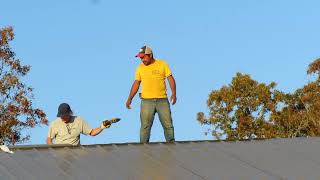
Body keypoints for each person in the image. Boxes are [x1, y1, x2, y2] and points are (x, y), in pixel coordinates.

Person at [126, 45, 177, 143]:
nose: (142, 59)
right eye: (140, 58)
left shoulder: (162, 64)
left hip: (162, 100)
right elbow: (136, 83)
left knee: (168, 125)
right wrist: (129, 98)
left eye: (143, 57)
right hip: (146, 101)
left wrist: (174, 93)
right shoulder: (140, 68)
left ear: (150, 55)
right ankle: (143, 148)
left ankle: (171, 145)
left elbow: (170, 78)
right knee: (145, 127)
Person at [47, 103, 117, 145]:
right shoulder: (54, 124)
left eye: (65, 116)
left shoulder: (79, 121)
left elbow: (92, 132)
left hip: (74, 154)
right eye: (61, 116)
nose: (63, 118)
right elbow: (49, 140)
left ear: (70, 113)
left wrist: (102, 127)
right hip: (60, 155)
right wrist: (53, 151)